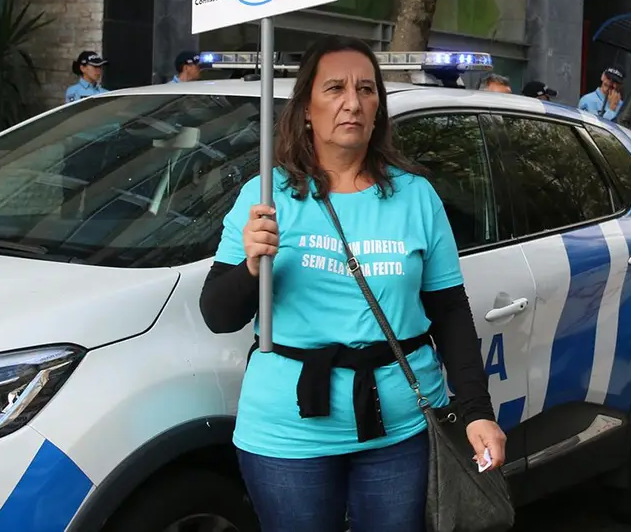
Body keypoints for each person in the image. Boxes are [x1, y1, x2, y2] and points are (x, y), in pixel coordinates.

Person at [198, 35, 506, 532]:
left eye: (366, 89)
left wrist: (476, 411)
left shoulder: (416, 196)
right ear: (305, 109)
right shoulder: (266, 196)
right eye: (335, 88)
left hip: (400, 430)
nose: (353, 102)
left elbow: (449, 312)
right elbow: (218, 315)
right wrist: (252, 264)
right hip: (287, 433)